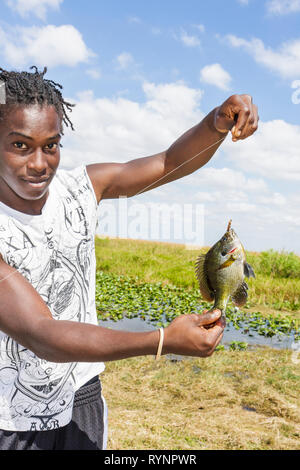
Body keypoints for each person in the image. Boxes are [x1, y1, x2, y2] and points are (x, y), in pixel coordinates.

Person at [0, 66, 258, 450]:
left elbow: (170, 163)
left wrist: (215, 123)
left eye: (51, 145)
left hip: (83, 399)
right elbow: (43, 334)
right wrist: (161, 340)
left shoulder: (82, 188)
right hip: (12, 418)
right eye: (20, 145)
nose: (39, 163)